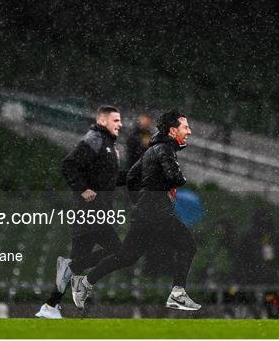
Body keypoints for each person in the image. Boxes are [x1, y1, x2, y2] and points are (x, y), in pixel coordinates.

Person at [70, 110, 201, 311]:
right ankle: (177, 294)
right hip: (157, 212)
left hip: (146, 212)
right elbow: (175, 177)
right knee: (188, 246)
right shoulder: (164, 149)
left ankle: (85, 282)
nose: (189, 131)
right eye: (186, 127)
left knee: (127, 257)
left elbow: (130, 176)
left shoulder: (153, 149)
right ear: (173, 130)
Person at [36, 105, 126, 319]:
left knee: (80, 260)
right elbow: (68, 165)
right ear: (103, 121)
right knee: (121, 252)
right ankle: (74, 271)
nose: (120, 124)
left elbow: (109, 181)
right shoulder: (95, 139)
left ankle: (50, 306)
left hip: (97, 212)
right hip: (90, 212)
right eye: (116, 120)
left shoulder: (109, 147)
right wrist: (82, 189)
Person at [236, 210, 279, 319]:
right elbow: (241, 257)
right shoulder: (250, 236)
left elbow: (278, 258)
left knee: (269, 296)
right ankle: (264, 314)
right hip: (255, 275)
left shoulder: (271, 237)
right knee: (264, 296)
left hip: (262, 275)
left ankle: (268, 314)